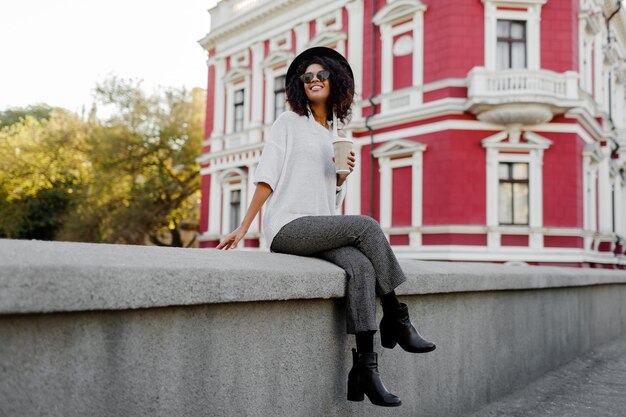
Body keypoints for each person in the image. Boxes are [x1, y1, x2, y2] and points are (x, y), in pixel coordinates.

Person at [217, 46, 435, 407]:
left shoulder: (335, 133)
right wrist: (244, 227)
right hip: (288, 227)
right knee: (366, 226)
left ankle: (366, 368)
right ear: (299, 86)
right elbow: (267, 175)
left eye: (321, 75)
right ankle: (397, 317)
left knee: (361, 268)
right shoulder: (288, 122)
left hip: (320, 225)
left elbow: (332, 202)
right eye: (307, 77)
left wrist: (341, 176)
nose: (314, 81)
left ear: (336, 80)